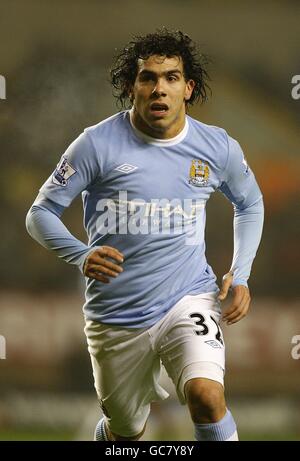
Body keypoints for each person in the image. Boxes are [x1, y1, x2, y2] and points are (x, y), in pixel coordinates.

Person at [26, 29, 264, 442]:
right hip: (115, 314)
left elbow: (251, 204)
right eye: (148, 78)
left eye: (171, 78)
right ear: (129, 87)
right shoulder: (95, 145)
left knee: (206, 396)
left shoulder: (217, 147)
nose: (160, 89)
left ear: (188, 88)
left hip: (188, 297)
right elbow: (40, 213)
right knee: (126, 433)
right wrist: (81, 254)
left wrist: (239, 274)